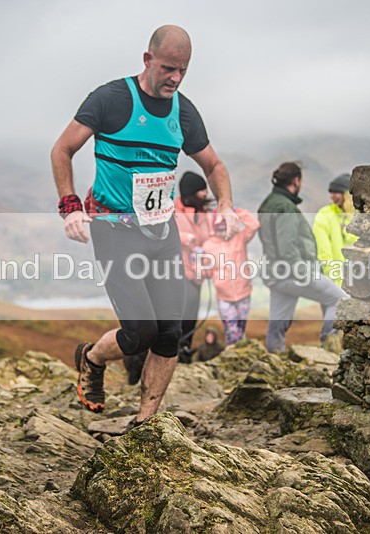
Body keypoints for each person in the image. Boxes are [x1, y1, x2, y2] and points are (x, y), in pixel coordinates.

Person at [50, 25, 238, 427]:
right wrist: (69, 206)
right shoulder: (111, 99)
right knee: (139, 333)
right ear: (147, 60)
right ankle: (92, 357)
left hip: (161, 231)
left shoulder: (183, 112)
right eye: (169, 68)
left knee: (170, 333)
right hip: (114, 230)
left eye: (183, 71)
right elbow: (62, 149)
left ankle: (145, 423)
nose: (175, 78)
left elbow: (214, 165)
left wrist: (225, 203)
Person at [257, 162, 347, 354]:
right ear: (296, 180)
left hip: (275, 273)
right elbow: (287, 248)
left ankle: (274, 359)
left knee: (278, 324)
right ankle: (329, 348)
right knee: (340, 300)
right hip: (293, 272)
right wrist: (306, 274)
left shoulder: (268, 203)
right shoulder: (285, 207)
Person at [201, 206, 260, 345]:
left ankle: (238, 357)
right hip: (224, 297)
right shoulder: (208, 246)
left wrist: (236, 212)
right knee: (231, 333)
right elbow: (207, 272)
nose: (222, 233)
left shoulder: (240, 236)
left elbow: (254, 224)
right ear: (214, 229)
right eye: (219, 229)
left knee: (240, 330)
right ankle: (232, 354)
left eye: (224, 228)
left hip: (244, 293)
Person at [174, 171, 213, 363]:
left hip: (198, 273)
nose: (205, 194)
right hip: (177, 271)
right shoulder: (173, 210)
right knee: (183, 310)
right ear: (190, 193)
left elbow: (210, 239)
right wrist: (187, 239)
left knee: (192, 314)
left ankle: (185, 350)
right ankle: (176, 350)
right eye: (201, 190)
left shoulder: (205, 214)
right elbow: (166, 232)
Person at [313, 173, 358, 286]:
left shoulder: (358, 215)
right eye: (331, 192)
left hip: (359, 279)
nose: (332, 196)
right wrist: (335, 281)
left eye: (336, 192)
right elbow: (323, 252)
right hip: (334, 281)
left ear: (347, 194)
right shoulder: (324, 214)